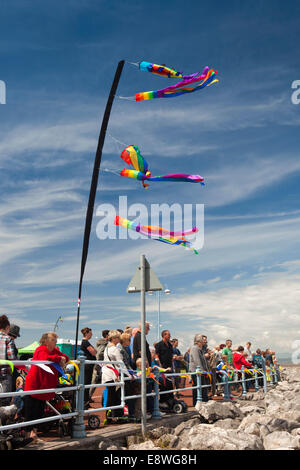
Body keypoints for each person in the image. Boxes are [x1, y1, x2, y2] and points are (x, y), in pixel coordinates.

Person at [23, 332, 68, 441]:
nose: (56, 341)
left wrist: (62, 358)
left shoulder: (55, 350)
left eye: (56, 339)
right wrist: (59, 358)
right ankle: (27, 435)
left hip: (44, 385)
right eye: (53, 339)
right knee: (30, 410)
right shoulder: (40, 349)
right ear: (46, 341)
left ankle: (34, 434)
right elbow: (45, 358)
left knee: (40, 410)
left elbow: (65, 357)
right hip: (35, 384)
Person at [101, 330, 125, 422]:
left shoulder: (107, 348)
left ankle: (110, 415)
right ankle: (114, 416)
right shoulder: (115, 349)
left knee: (111, 395)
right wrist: (128, 374)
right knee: (114, 396)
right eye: (118, 337)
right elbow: (121, 364)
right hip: (113, 374)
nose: (119, 339)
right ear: (114, 338)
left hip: (107, 373)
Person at [0, 315, 17, 406]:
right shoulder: (8, 339)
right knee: (4, 401)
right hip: (5, 374)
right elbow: (12, 358)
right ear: (7, 328)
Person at [155, 330, 174, 405]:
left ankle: (170, 399)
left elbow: (171, 354)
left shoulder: (170, 345)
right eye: (168, 335)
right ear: (164, 335)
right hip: (162, 368)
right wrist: (160, 366)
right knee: (163, 385)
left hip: (169, 368)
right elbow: (156, 355)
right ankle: (162, 401)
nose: (170, 336)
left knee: (170, 384)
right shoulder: (159, 345)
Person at [189, 334, 209, 405]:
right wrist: (202, 370)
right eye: (202, 341)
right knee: (197, 387)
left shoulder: (199, 349)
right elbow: (197, 360)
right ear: (198, 341)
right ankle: (197, 402)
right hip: (196, 371)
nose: (204, 342)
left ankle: (203, 400)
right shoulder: (195, 348)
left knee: (202, 387)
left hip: (200, 371)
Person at [89, 329, 109, 400]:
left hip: (98, 364)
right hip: (98, 364)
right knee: (94, 381)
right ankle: (88, 397)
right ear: (107, 335)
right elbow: (100, 353)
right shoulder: (104, 343)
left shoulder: (100, 342)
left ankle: (88, 397)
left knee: (95, 381)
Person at [80, 327, 97, 407]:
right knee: (86, 383)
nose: (92, 335)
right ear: (86, 334)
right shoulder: (85, 342)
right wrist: (94, 351)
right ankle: (85, 403)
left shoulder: (86, 342)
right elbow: (93, 352)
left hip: (89, 366)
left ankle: (85, 402)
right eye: (90, 333)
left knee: (87, 383)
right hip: (87, 366)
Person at [8, 324, 21, 393]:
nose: (14, 338)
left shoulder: (11, 343)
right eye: (14, 336)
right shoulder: (7, 342)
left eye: (15, 336)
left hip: (12, 372)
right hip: (8, 373)